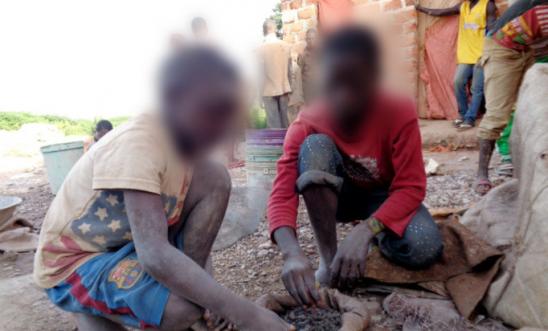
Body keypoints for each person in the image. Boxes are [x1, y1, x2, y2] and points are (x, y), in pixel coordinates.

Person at [33, 46, 292, 331]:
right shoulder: (139, 144)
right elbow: (154, 254)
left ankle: (125, 304)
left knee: (215, 177)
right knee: (182, 310)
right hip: (75, 262)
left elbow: (191, 245)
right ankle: (89, 307)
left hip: (123, 247)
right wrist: (244, 314)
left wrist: (212, 300)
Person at [267, 26, 444, 306]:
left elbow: (411, 187)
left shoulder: (399, 110)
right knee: (315, 147)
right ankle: (330, 260)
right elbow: (281, 194)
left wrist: (365, 232)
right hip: (338, 198)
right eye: (335, 82)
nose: (344, 96)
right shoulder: (309, 120)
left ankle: (371, 243)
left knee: (424, 247)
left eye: (356, 83)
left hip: (384, 198)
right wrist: (291, 253)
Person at [475, 2, 548, 194]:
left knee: (533, 107)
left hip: (528, 50)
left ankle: (526, 163)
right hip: (502, 50)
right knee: (497, 115)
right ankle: (482, 173)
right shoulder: (542, 7)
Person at [416, 0, 497, 130]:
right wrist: (421, 9)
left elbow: (493, 30)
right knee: (458, 82)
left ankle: (470, 119)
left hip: (481, 54)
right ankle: (463, 114)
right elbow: (443, 12)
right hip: (465, 55)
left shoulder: (487, 5)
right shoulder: (463, 6)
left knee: (477, 89)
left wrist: (489, 51)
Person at [258, 19, 292, 129]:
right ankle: (288, 145)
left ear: (264, 31)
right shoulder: (286, 46)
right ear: (275, 29)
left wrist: (259, 96)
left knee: (274, 127)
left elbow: (260, 75)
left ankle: (277, 147)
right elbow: (290, 70)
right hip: (284, 87)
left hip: (268, 90)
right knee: (286, 122)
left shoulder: (260, 49)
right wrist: (290, 88)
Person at [298, 28, 320, 104]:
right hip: (308, 91)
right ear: (306, 40)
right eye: (308, 39)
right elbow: (299, 74)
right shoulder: (302, 55)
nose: (310, 41)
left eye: (313, 38)